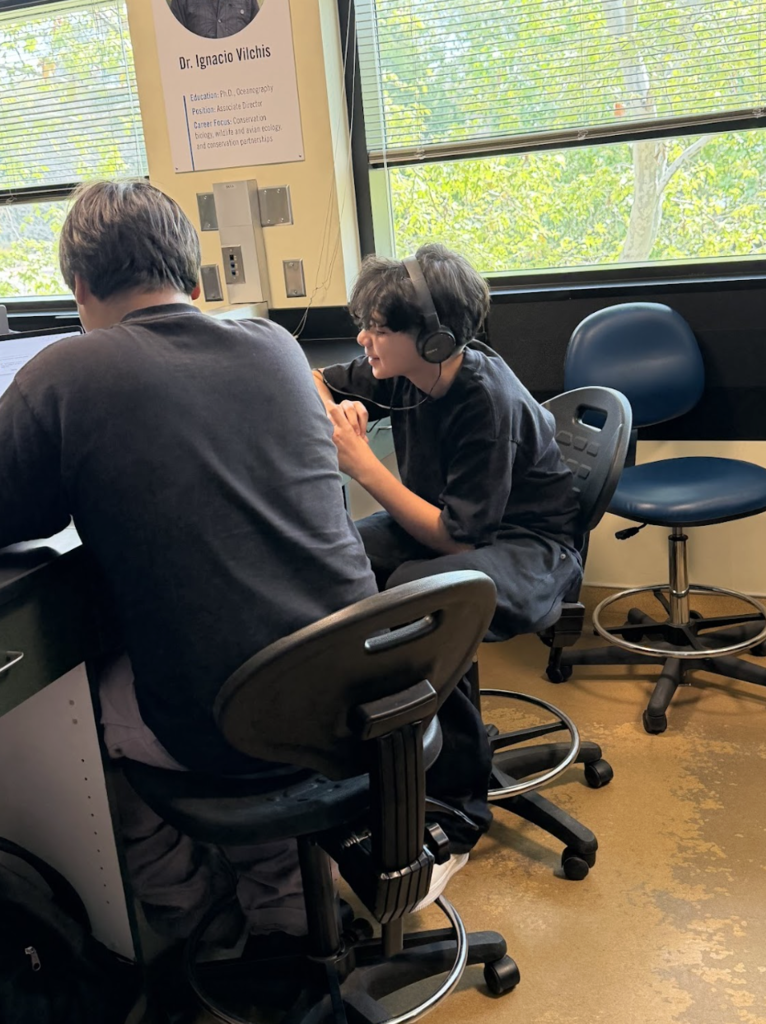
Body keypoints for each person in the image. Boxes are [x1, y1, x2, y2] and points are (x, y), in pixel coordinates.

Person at [0, 179, 379, 945]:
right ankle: (286, 903)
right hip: (352, 687)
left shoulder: (66, 372)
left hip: (230, 722)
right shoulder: (276, 343)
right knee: (243, 654)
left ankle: (188, 912)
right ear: (196, 281)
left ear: (78, 287)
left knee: (85, 714)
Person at [313, 244, 584, 889]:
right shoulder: (401, 371)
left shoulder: (482, 401)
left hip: (533, 546)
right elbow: (316, 379)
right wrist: (338, 407)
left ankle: (459, 809)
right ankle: (391, 747)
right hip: (460, 529)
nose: (364, 338)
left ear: (432, 340)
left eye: (379, 327)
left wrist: (363, 464)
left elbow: (459, 541)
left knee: (425, 600)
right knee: (343, 558)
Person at [169, 0, 259, 38]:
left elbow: (260, 38)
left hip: (240, 74)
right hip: (198, 75)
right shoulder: (181, 2)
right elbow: (174, 43)